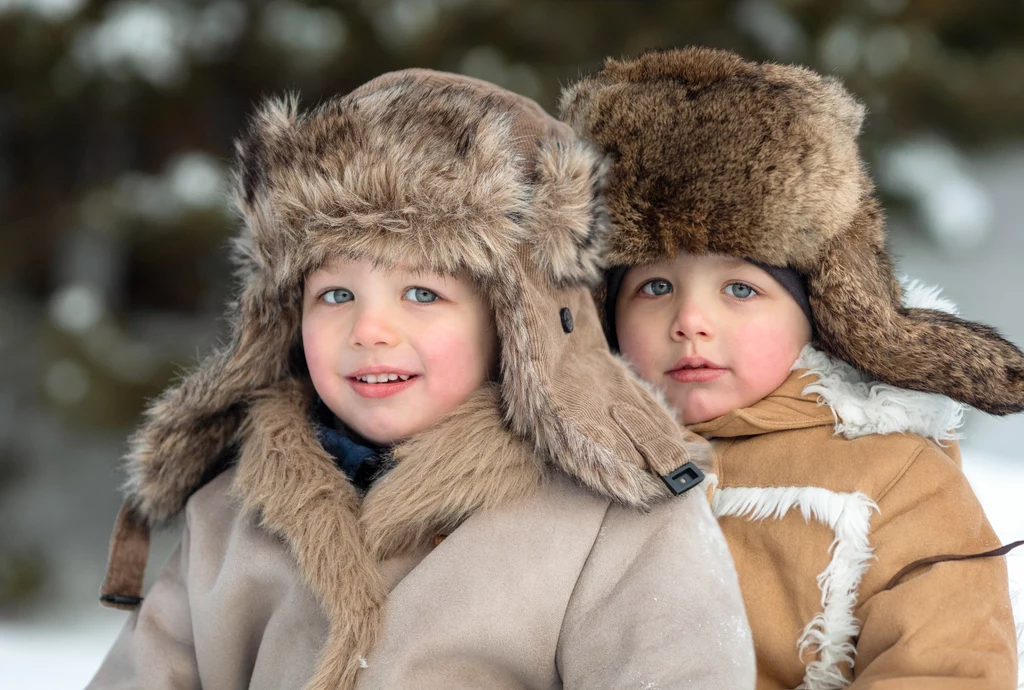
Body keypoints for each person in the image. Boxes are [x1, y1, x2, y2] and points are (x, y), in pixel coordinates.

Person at [87, 69, 756, 690]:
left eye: (423, 294)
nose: (370, 330)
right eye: (336, 296)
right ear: (287, 316)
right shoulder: (229, 515)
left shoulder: (616, 522)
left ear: (512, 320)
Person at [561, 47, 1023, 689]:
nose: (691, 321)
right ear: (603, 312)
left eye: (742, 290)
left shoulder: (895, 481)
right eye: (656, 286)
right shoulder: (571, 469)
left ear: (823, 313)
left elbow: (948, 667)